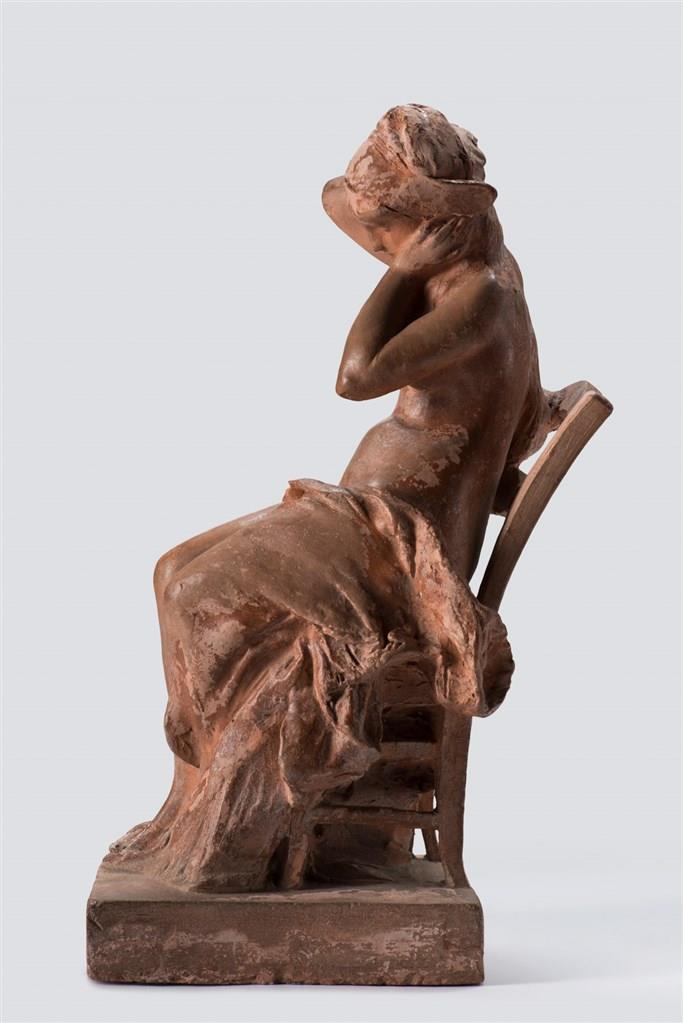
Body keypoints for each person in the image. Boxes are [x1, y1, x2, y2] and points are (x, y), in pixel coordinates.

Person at [106, 105, 552, 892]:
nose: (375, 245)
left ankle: (230, 816)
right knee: (169, 567)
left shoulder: (479, 298)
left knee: (190, 589)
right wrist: (413, 246)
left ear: (433, 227)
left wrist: (403, 271)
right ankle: (195, 794)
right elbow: (337, 200)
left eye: (388, 234)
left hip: (393, 540)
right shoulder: (478, 272)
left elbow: (355, 375)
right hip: (360, 513)